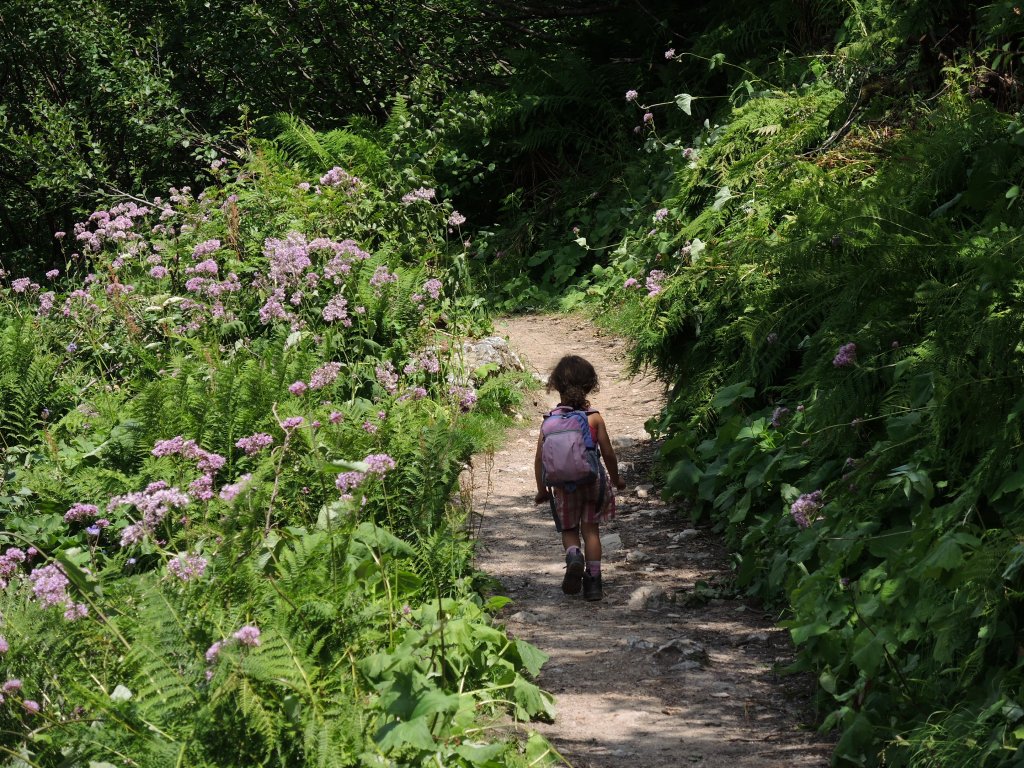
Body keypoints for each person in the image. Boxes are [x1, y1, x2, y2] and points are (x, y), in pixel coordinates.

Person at [534, 355, 626, 601]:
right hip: (593, 484)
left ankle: (574, 554)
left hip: (564, 488)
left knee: (569, 529)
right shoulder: (594, 418)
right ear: (589, 385)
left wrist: (542, 491)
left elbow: (539, 459)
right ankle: (594, 583)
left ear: (555, 386)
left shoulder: (549, 422)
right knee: (591, 531)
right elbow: (607, 453)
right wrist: (617, 480)